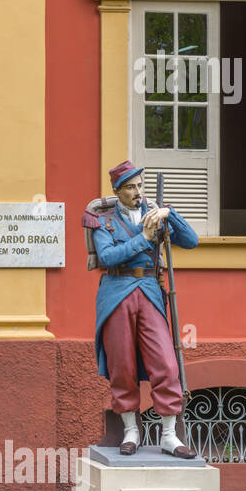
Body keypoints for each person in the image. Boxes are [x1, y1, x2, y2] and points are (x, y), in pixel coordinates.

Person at [89, 160, 198, 458]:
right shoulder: (103, 220)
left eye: (140, 185)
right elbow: (108, 257)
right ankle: (130, 431)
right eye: (130, 187)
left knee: (165, 361)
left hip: (149, 290)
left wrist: (170, 214)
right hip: (116, 292)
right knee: (121, 365)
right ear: (118, 191)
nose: (138, 192)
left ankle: (169, 435)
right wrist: (145, 238)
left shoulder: (156, 215)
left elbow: (191, 241)